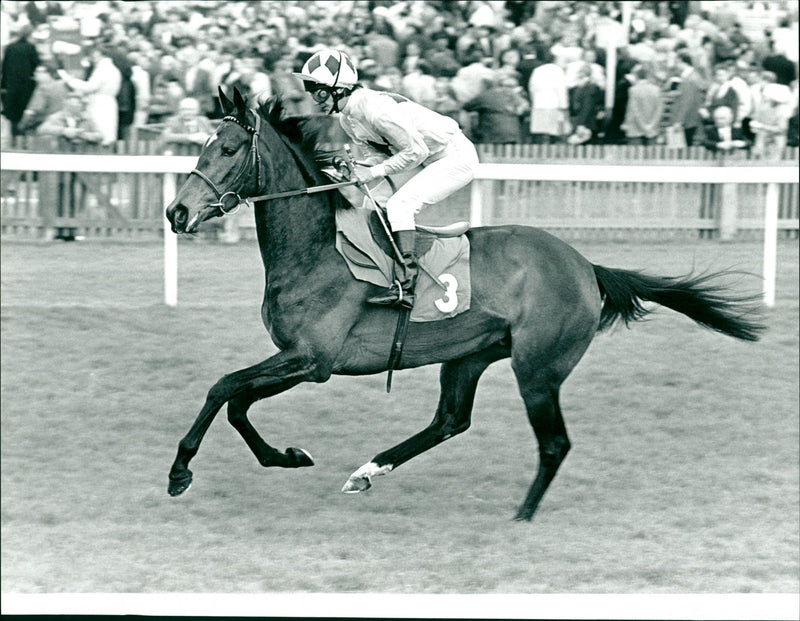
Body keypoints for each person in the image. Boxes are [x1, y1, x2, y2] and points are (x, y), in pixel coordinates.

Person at [294, 48, 479, 310]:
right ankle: (379, 276)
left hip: (453, 156)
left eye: (320, 91)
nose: (315, 99)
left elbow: (416, 151)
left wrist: (373, 173)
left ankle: (407, 283)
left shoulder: (376, 110)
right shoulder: (348, 119)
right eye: (311, 92)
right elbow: (380, 156)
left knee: (399, 205)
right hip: (424, 158)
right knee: (371, 205)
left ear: (339, 88)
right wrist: (356, 166)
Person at [56, 44, 122, 145]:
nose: (92, 58)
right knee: (108, 131)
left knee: (100, 130)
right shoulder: (113, 69)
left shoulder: (103, 69)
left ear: (98, 54)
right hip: (108, 102)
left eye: (93, 54)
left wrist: (69, 80)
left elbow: (89, 86)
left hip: (100, 103)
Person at [463, 73, 530, 144]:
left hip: (491, 135)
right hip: (513, 134)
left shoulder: (486, 95)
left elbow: (467, 107)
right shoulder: (518, 97)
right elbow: (526, 110)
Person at [1, 23, 39, 138]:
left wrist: (3, 85)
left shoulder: (10, 47)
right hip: (26, 85)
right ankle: (23, 138)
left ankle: (13, 137)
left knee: (13, 114)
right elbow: (35, 64)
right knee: (24, 111)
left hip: (11, 85)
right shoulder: (31, 47)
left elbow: (4, 67)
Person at [670, 51, 706, 147]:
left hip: (687, 120)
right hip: (690, 119)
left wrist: (679, 121)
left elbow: (687, 101)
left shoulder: (690, 79)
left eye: (676, 62)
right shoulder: (693, 76)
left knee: (683, 148)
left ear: (681, 61)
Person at [621, 66, 663, 145]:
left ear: (636, 76)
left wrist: (642, 125)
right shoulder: (656, 90)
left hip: (635, 129)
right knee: (652, 154)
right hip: (652, 129)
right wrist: (651, 125)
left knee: (636, 154)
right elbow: (659, 109)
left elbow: (634, 110)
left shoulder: (633, 90)